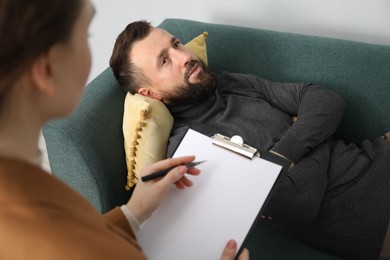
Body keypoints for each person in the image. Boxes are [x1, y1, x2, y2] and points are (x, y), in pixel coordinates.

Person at [109, 20, 390, 260]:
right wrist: (313, 129)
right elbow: (296, 202)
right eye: (165, 60)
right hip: (376, 216)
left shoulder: (230, 83)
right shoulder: (193, 148)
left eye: (177, 44)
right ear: (151, 94)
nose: (185, 56)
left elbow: (327, 101)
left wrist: (280, 155)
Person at [0, 1, 250, 259]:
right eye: (85, 35)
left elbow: (79, 235)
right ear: (47, 69)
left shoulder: (27, 186)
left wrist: (133, 212)